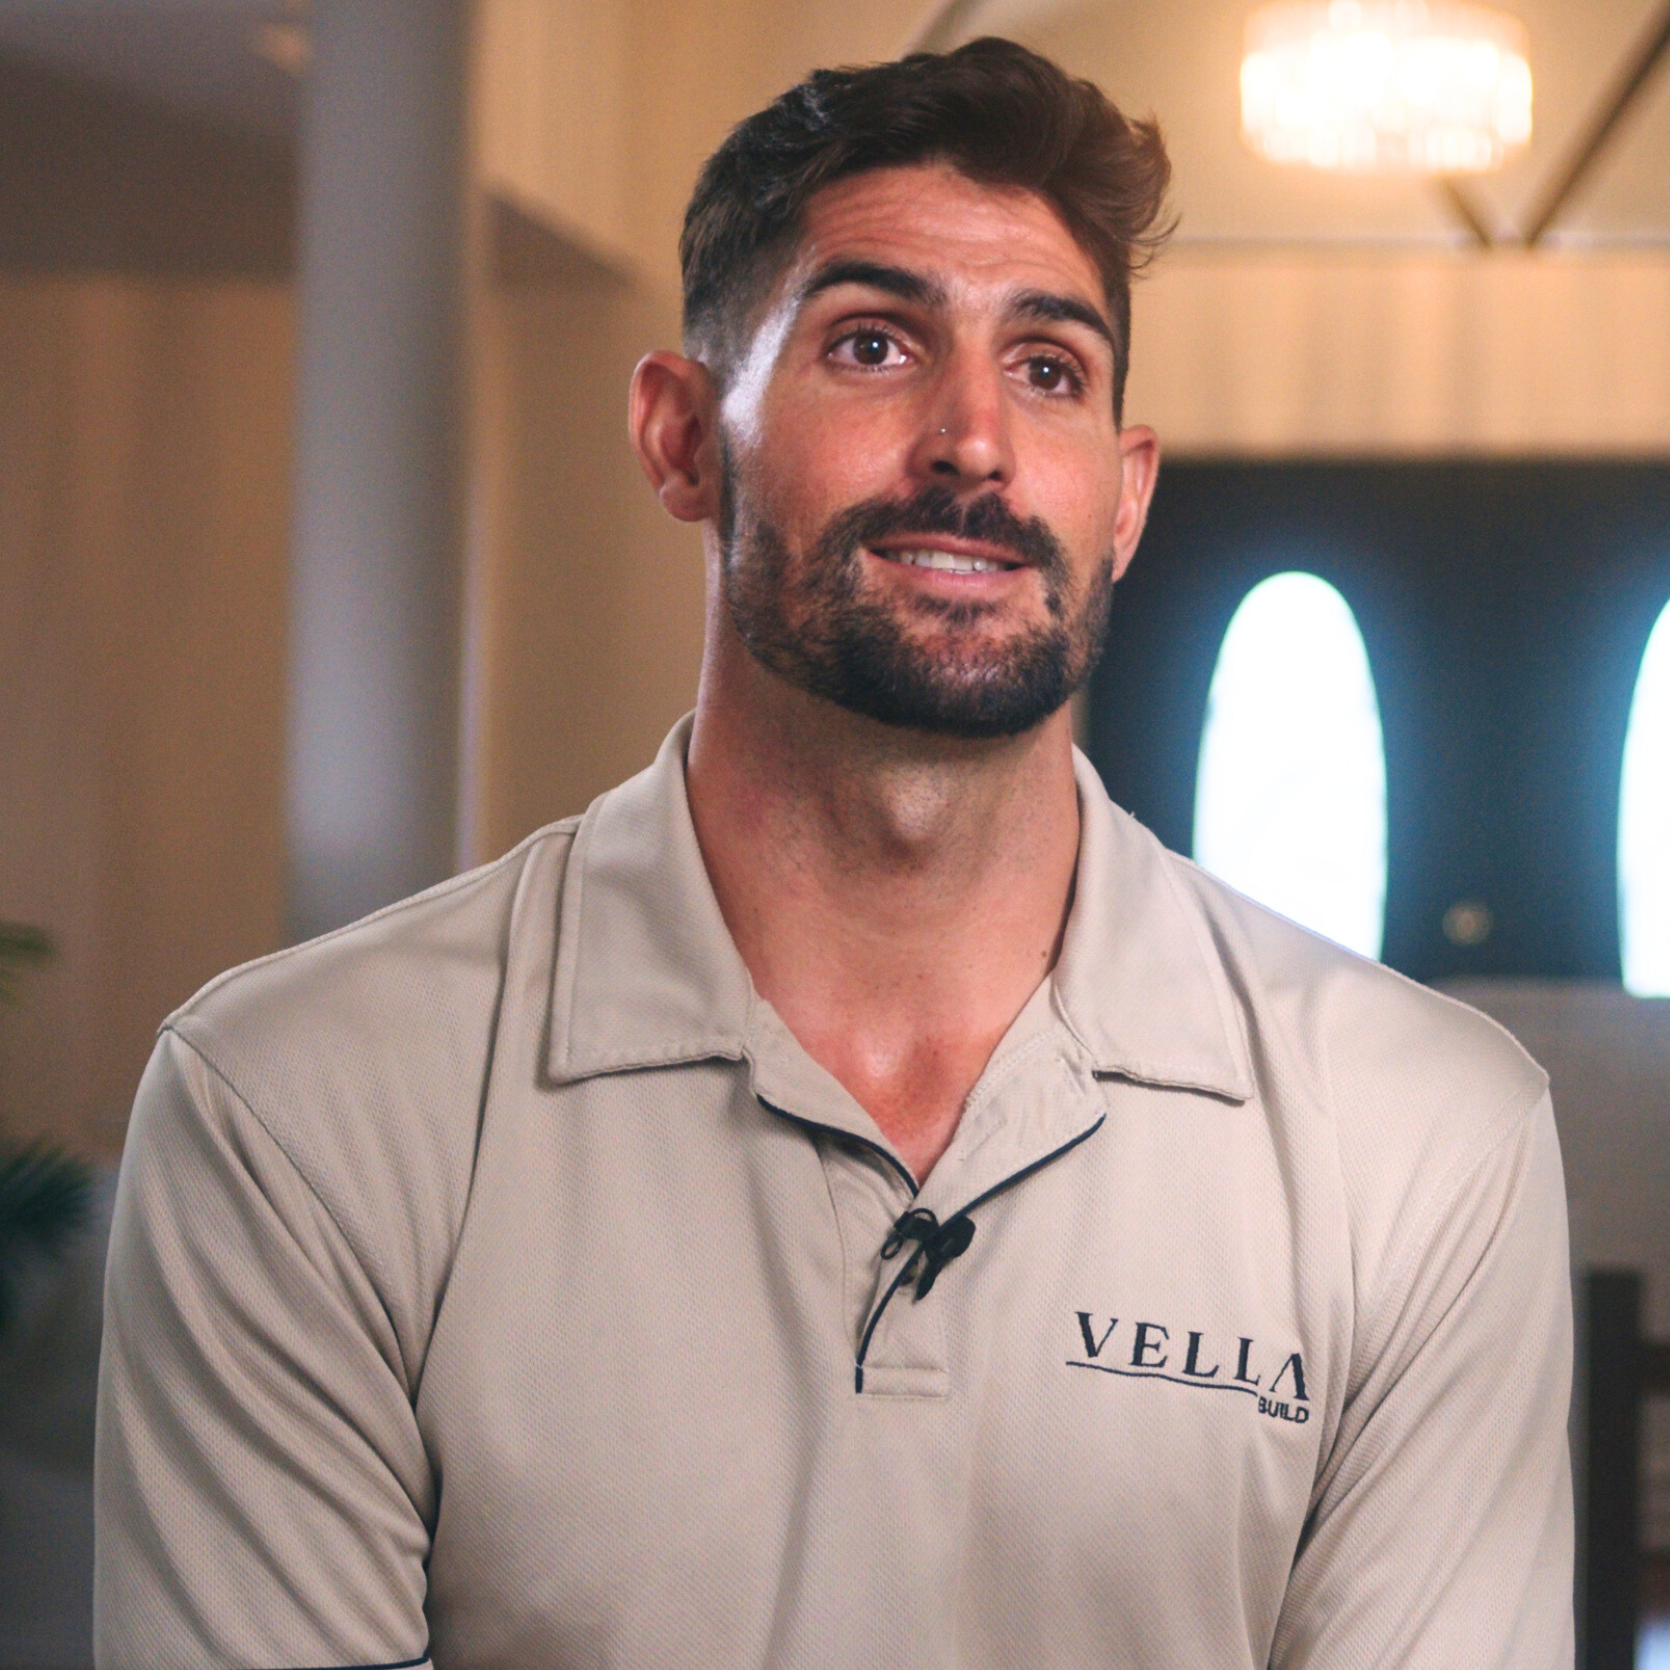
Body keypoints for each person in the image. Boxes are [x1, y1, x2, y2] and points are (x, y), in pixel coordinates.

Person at [94, 37, 1573, 1670]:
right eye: (872, 343)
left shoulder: (1423, 1136)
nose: (972, 441)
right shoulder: (298, 1107)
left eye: (1050, 369)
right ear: (679, 437)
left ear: (1124, 498)